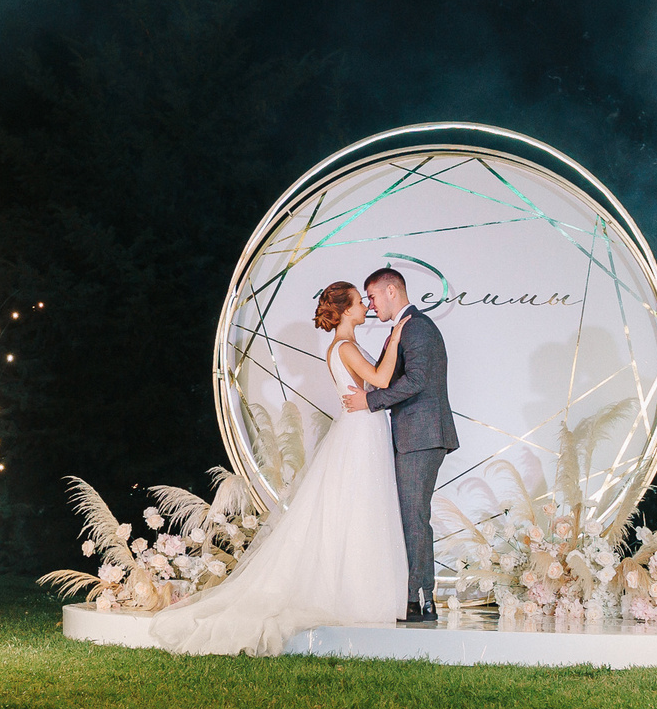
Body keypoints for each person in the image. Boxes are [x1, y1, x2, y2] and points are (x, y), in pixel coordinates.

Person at [150, 282, 409, 656]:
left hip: (361, 428)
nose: (365, 307)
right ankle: (360, 595)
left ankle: (362, 590)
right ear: (345, 309)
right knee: (360, 508)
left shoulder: (343, 345)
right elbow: (381, 380)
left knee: (358, 509)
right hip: (360, 432)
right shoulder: (345, 346)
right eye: (359, 301)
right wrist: (396, 338)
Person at [339, 267, 457, 622]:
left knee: (413, 517)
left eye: (373, 297)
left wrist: (370, 401)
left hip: (421, 437)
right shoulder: (404, 327)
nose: (371, 305)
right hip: (412, 436)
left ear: (391, 291)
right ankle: (409, 597)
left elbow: (417, 380)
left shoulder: (416, 326)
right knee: (408, 516)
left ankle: (421, 600)